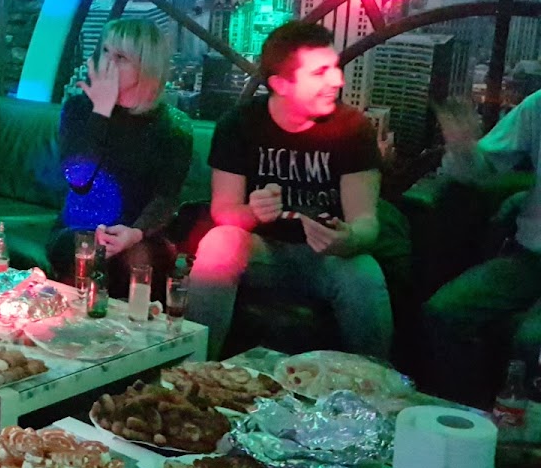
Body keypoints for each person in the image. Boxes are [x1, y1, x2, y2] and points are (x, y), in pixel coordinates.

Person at [186, 20, 391, 360]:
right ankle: (195, 369)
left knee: (365, 273)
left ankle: (375, 381)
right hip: (262, 251)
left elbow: (366, 222)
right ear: (280, 84)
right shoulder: (239, 125)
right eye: (320, 73)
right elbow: (224, 212)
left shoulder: (353, 129)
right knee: (218, 243)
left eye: (334, 68)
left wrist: (348, 238)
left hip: (329, 258)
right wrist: (253, 212)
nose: (337, 81)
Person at [47, 18, 192, 298]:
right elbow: (78, 180)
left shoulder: (173, 125)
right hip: (79, 225)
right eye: (105, 51)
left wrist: (135, 232)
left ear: (145, 65)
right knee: (86, 250)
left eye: (121, 57)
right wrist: (101, 111)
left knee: (138, 259)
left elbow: (166, 196)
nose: (108, 63)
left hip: (141, 230)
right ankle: (71, 321)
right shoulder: (78, 109)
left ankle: (138, 324)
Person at [422, 92, 541, 405]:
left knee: (531, 340)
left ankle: (520, 430)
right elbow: (482, 170)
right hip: (529, 257)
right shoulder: (538, 106)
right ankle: (469, 414)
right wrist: (463, 147)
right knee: (443, 312)